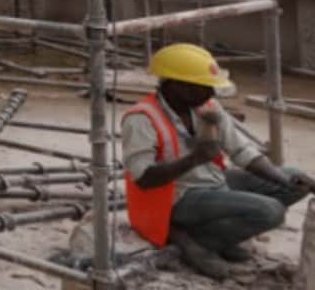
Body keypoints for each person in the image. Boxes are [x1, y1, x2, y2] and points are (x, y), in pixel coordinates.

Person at [122, 42, 313, 278]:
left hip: (212, 182)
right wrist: (193, 159)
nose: (211, 93)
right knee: (271, 211)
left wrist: (283, 180)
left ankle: (214, 237)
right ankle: (197, 244)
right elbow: (143, 179)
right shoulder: (141, 119)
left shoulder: (207, 106)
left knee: (293, 179)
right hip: (175, 197)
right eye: (203, 87)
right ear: (177, 85)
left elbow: (242, 151)